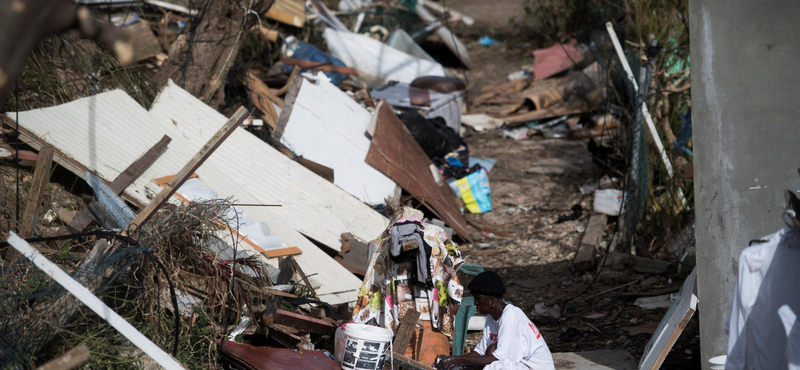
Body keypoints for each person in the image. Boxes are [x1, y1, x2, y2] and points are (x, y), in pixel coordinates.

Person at [435, 271, 555, 370]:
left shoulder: (511, 316)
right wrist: (452, 360)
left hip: (533, 367)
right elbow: (480, 352)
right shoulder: (491, 317)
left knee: (496, 365)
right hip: (520, 365)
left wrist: (456, 360)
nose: (475, 303)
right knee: (486, 356)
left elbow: (499, 359)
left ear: (491, 299)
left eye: (477, 298)